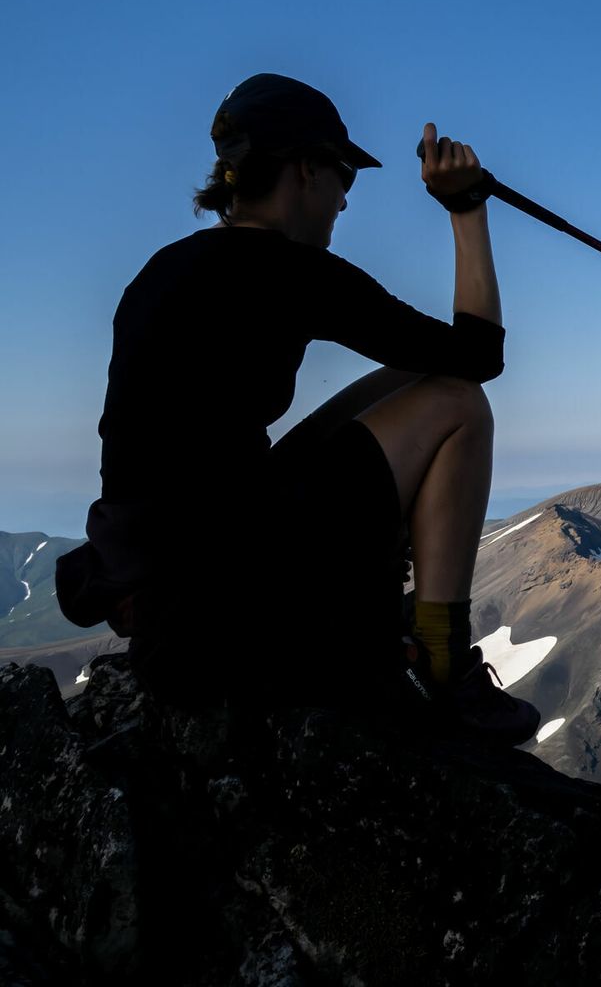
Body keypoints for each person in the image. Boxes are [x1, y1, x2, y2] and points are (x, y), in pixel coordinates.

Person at [55, 73, 539, 744]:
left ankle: (386, 622)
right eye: (345, 175)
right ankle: (441, 659)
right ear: (307, 169)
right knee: (460, 401)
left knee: (419, 377)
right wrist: (466, 208)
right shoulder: (289, 271)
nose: (346, 199)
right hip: (228, 606)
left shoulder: (164, 270)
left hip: (167, 595)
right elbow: (479, 355)